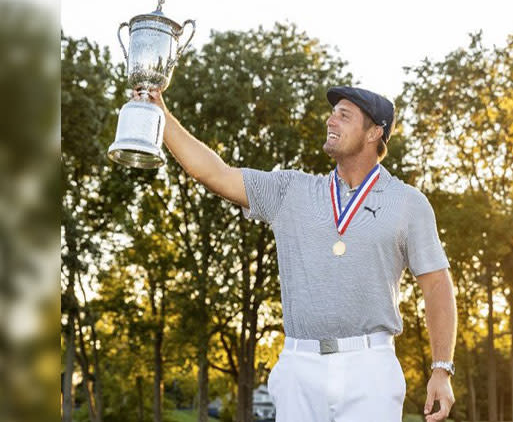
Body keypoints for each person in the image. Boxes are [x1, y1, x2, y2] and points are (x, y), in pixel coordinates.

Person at [133, 85, 457, 422]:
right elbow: (213, 173)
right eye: (332, 113)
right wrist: (160, 112)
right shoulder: (291, 190)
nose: (331, 120)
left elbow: (436, 285)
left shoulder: (408, 203)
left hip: (370, 368)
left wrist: (441, 368)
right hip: (299, 367)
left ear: (375, 132)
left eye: (344, 115)